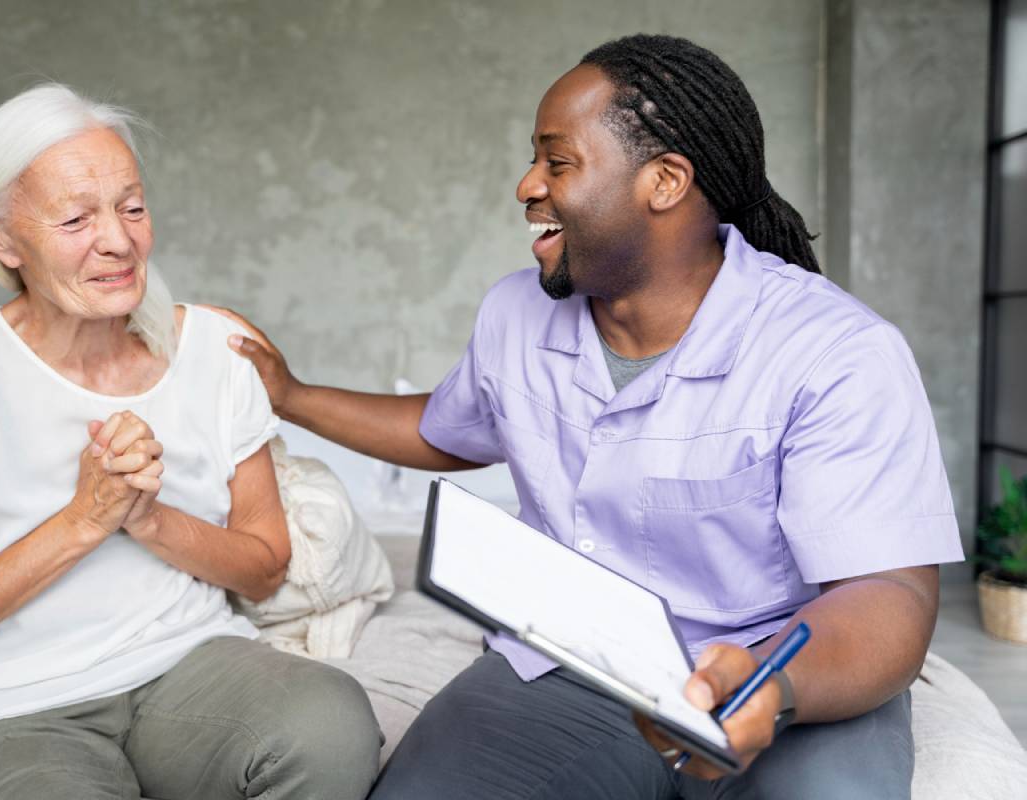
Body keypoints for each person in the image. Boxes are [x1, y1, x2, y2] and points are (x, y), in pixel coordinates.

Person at [216, 34, 964, 800]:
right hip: (571, 665)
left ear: (665, 181)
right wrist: (292, 394)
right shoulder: (515, 316)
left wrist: (775, 686)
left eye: (557, 161)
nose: (526, 185)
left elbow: (890, 594)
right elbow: (445, 429)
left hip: (790, 679)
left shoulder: (835, 351)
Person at [0, 84, 381, 800]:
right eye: (76, 218)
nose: (119, 240)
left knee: (331, 727)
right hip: (8, 709)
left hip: (183, 668)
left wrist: (145, 517)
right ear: (0, 235)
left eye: (132, 208)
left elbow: (264, 568)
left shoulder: (216, 349)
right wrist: (85, 519)